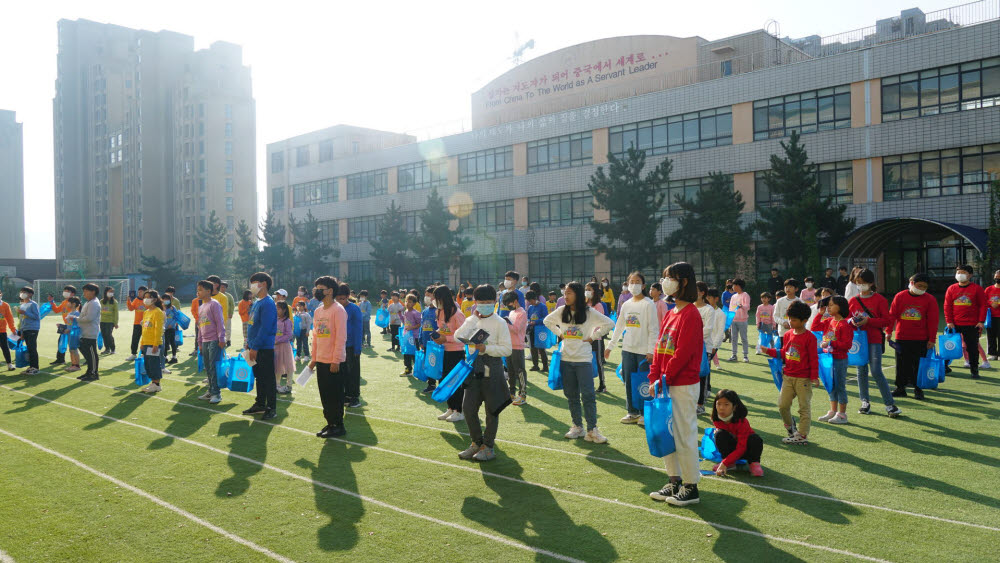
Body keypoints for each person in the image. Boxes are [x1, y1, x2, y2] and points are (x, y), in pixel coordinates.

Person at [647, 262, 704, 506]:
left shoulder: (691, 314)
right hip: (665, 383)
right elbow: (660, 349)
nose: (665, 282)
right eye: (664, 277)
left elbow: (683, 353)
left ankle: (691, 486)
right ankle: (674, 481)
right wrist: (654, 377)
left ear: (684, 282)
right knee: (665, 433)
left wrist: (663, 378)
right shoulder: (671, 312)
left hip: (681, 384)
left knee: (684, 433)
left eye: (670, 277)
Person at [545, 281, 615, 444]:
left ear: (577, 294)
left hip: (583, 359)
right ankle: (577, 426)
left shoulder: (589, 312)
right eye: (565, 293)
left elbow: (609, 323)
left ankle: (592, 430)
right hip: (565, 359)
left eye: (569, 293)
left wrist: (592, 337)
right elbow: (547, 321)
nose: (565, 296)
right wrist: (560, 334)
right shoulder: (562, 310)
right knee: (571, 395)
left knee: (589, 395)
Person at [455, 284, 513, 462]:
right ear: (476, 302)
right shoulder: (472, 319)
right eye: (481, 302)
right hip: (473, 367)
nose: (485, 305)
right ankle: (476, 443)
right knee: (468, 408)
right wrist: (472, 320)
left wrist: (486, 348)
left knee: (492, 409)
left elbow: (507, 350)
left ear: (495, 302)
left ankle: (488, 446)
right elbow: (458, 335)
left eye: (488, 302)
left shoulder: (500, 322)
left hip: (492, 367)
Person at [606, 272, 658, 424]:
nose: (634, 284)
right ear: (628, 285)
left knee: (643, 382)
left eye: (637, 282)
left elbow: (653, 329)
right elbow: (619, 326)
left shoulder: (648, 304)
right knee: (628, 380)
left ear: (643, 286)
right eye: (631, 281)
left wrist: (650, 350)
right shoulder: (626, 304)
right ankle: (632, 412)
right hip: (628, 349)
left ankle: (644, 413)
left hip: (643, 352)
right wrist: (610, 346)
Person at [764, 301, 818, 445]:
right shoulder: (787, 335)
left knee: (804, 408)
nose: (790, 322)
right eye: (789, 318)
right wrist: (769, 351)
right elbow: (784, 352)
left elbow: (813, 358)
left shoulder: (810, 337)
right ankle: (790, 427)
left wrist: (814, 377)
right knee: (782, 405)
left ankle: (802, 435)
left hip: (803, 379)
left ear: (804, 320)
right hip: (788, 376)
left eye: (794, 320)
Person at [849, 270, 901, 418]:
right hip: (859, 341)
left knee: (877, 371)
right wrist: (852, 322)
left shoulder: (880, 300)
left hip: (874, 339)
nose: (860, 286)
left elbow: (887, 320)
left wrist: (869, 321)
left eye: (863, 283)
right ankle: (864, 402)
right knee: (861, 371)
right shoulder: (853, 301)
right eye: (858, 283)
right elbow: (846, 319)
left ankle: (890, 404)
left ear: (871, 283)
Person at [888, 273, 939, 400]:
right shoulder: (900, 296)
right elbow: (892, 315)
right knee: (901, 364)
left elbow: (933, 320)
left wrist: (932, 339)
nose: (921, 288)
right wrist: (889, 331)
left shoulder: (930, 299)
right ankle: (900, 388)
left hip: (921, 338)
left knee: (919, 365)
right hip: (902, 337)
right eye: (919, 285)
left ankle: (918, 389)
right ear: (911, 283)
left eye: (924, 287)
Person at [309, 276, 348, 438]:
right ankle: (330, 422)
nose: (317, 292)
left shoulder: (338, 310)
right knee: (325, 394)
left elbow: (341, 337)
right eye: (316, 288)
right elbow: (316, 336)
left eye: (320, 288)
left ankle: (338, 425)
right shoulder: (318, 311)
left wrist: (336, 359)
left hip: (334, 362)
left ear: (330, 291)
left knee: (335, 395)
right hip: (321, 360)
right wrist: (313, 358)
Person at [811, 296, 853, 424]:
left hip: (839, 359)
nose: (828, 307)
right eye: (828, 305)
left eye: (831, 305)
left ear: (840, 307)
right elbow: (814, 327)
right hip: (828, 359)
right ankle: (833, 411)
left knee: (840, 386)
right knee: (830, 385)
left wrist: (831, 343)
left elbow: (847, 345)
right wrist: (820, 314)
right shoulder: (829, 321)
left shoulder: (845, 324)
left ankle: (842, 414)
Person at [242, 272, 278, 420]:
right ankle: (260, 403)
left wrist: (255, 347)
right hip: (254, 346)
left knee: (268, 378)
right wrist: (248, 344)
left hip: (263, 348)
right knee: (259, 377)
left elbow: (265, 327)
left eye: (254, 282)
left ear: (263, 284)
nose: (251, 286)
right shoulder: (257, 302)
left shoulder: (268, 303)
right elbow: (252, 324)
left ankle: (271, 407)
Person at [944, 264, 988, 379]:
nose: (960, 275)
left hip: (972, 324)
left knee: (972, 348)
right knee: (949, 346)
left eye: (963, 272)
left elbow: (983, 306)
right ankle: (944, 366)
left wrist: (981, 321)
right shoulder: (951, 288)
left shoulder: (977, 289)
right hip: (954, 324)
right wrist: (949, 321)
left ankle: (974, 370)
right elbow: (947, 306)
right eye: (958, 272)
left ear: (970, 275)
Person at [432, 285, 467, 422]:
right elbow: (442, 329)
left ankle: (459, 411)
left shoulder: (458, 314)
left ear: (444, 298)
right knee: (444, 381)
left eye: (437, 298)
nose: (435, 301)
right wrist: (436, 335)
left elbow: (464, 336)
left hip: (456, 352)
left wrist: (446, 338)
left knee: (456, 382)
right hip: (443, 351)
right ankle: (451, 408)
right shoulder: (439, 312)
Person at [710, 389, 764, 477]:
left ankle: (754, 463)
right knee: (719, 434)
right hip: (733, 448)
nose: (721, 408)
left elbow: (741, 448)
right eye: (718, 404)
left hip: (745, 449)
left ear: (734, 407)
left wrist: (724, 463)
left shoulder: (742, 421)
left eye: (726, 404)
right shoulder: (716, 419)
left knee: (755, 439)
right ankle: (731, 464)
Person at [194, 280, 227, 404]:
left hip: (214, 340)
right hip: (205, 341)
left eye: (200, 289)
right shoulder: (201, 306)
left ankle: (216, 394)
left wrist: (221, 338)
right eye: (197, 289)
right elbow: (200, 326)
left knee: (213, 367)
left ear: (209, 291)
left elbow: (220, 322)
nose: (198, 291)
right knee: (207, 367)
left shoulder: (214, 304)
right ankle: (211, 390)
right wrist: (200, 343)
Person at [696, 283, 725, 414]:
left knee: (702, 375)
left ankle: (700, 404)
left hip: (704, 347)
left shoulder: (709, 310)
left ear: (702, 293)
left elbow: (708, 329)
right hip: (689, 347)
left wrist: (715, 346)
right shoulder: (689, 307)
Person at [335, 284, 363, 408]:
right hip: (339, 346)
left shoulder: (354, 309)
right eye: (338, 298)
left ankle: (354, 396)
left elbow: (358, 329)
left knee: (353, 372)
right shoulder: (335, 308)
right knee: (342, 372)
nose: (340, 301)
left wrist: (357, 348)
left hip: (351, 346)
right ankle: (345, 395)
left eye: (342, 298)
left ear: (348, 297)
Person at [502, 290, 528, 405]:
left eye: (509, 303)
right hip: (509, 345)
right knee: (511, 371)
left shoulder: (522, 313)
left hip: (517, 346)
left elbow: (516, 329)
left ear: (515, 301)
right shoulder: (512, 313)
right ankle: (511, 393)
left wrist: (505, 323)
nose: (508, 306)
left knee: (520, 371)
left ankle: (522, 395)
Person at [585, 281, 611, 392]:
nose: (587, 292)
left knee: (598, 361)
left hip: (596, 338)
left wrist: (594, 336)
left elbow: (601, 323)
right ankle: (588, 384)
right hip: (586, 338)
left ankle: (602, 385)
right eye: (586, 289)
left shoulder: (598, 305)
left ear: (595, 291)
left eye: (589, 289)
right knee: (586, 361)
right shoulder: (585, 305)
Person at [138, 290, 165, 393]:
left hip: (154, 343)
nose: (145, 299)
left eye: (148, 297)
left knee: (154, 364)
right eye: (145, 297)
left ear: (154, 299)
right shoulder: (146, 312)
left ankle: (157, 384)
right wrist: (142, 343)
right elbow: (144, 330)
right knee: (148, 365)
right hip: (146, 343)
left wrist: (156, 344)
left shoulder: (158, 312)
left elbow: (158, 330)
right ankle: (153, 383)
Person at [47, 284, 78, 366]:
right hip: (66, 325)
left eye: (68, 291)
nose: (65, 293)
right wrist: (51, 302)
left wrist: (70, 326)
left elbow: (76, 315)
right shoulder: (64, 302)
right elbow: (57, 310)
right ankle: (60, 359)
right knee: (61, 341)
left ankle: (81, 360)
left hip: (73, 327)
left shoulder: (74, 302)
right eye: (65, 291)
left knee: (76, 345)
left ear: (73, 294)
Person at [76, 283, 101, 381]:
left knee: (92, 354)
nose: (84, 293)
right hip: (84, 331)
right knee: (86, 353)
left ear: (93, 292)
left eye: (86, 291)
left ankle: (94, 373)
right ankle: (89, 372)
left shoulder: (94, 303)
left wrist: (76, 319)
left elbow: (89, 318)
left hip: (90, 332)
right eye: (84, 291)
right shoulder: (89, 302)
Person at [419, 286, 439, 393]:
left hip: (436, 344)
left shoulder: (439, 311)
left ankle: (441, 385)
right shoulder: (425, 311)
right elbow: (422, 327)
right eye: (425, 295)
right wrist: (421, 340)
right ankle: (431, 384)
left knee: (438, 364)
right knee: (429, 364)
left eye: (428, 295)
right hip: (426, 343)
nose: (426, 297)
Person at [16, 287, 40, 374]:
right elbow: (22, 320)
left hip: (32, 328)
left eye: (24, 292)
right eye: (21, 292)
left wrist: (25, 312)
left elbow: (37, 317)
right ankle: (31, 366)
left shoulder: (33, 304)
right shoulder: (22, 305)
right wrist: (21, 332)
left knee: (32, 348)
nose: (22, 293)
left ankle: (35, 367)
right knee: (29, 348)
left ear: (30, 294)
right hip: (25, 329)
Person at [274, 301, 295, 394]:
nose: (276, 310)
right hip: (275, 347)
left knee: (288, 366)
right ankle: (277, 385)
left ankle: (289, 385)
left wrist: (278, 340)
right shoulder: (274, 320)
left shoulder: (287, 321)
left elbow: (289, 335)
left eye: (278, 308)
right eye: (276, 308)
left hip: (285, 347)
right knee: (277, 366)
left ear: (284, 310)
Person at [727, 279, 751, 363]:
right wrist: (729, 319)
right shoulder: (733, 296)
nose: (732, 287)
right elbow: (731, 308)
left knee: (743, 338)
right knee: (733, 338)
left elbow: (747, 307)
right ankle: (734, 355)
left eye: (734, 285)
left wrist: (742, 306)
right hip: (733, 320)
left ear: (738, 286)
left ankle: (745, 356)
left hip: (742, 320)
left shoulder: (745, 295)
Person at [525, 291, 549, 373]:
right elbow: (528, 317)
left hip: (540, 330)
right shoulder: (530, 307)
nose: (530, 302)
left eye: (531, 300)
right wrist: (528, 322)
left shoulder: (542, 306)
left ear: (535, 299)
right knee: (533, 349)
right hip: (532, 329)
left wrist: (536, 322)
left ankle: (545, 367)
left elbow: (545, 318)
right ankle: (535, 365)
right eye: (529, 301)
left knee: (541, 349)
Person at [399, 294, 421, 376]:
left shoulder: (416, 313)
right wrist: (400, 315)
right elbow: (404, 322)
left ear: (414, 304)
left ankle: (418, 370)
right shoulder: (406, 312)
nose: (407, 303)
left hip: (414, 337)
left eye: (410, 302)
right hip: (407, 337)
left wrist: (412, 327)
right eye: (406, 301)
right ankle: (408, 369)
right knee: (406, 353)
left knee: (414, 353)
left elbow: (420, 324)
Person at [126, 286, 147, 361]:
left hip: (146, 324)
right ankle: (133, 354)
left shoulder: (147, 300)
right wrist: (128, 301)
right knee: (135, 339)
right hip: (137, 323)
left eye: (141, 291)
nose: (139, 293)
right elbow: (131, 308)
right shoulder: (136, 300)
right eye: (138, 292)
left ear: (145, 292)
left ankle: (144, 354)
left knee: (145, 339)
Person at [64, 297, 82, 373]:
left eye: (69, 302)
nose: (67, 304)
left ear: (74, 304)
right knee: (71, 350)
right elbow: (69, 324)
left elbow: (78, 325)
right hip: (69, 334)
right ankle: (73, 364)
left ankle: (77, 365)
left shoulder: (77, 313)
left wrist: (70, 329)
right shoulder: (69, 313)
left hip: (74, 334)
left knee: (74, 349)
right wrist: (63, 328)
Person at [99, 286, 118, 356]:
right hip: (102, 321)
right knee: (104, 335)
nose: (111, 293)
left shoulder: (114, 302)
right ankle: (107, 349)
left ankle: (113, 349)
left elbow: (116, 313)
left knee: (108, 335)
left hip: (110, 321)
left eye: (112, 292)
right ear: (105, 292)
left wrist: (115, 323)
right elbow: (98, 311)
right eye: (110, 291)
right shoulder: (101, 301)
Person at [0, 288, 16, 370]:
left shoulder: (5, 305)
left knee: (5, 348)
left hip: (2, 331)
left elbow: (10, 318)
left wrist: (13, 329)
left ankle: (9, 364)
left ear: (1, 294)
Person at [162, 294, 180, 365]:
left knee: (173, 342)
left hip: (171, 328)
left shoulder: (173, 307)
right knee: (165, 343)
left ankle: (174, 357)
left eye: (167, 299)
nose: (166, 301)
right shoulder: (161, 308)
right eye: (164, 299)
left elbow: (176, 316)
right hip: (164, 328)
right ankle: (165, 357)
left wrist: (172, 324)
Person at [986, 270, 1000, 361]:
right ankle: (992, 354)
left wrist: (998, 303)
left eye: (999, 277)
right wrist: (992, 303)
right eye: (996, 276)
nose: (997, 278)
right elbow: (983, 300)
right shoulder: (989, 289)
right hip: (990, 317)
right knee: (990, 336)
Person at [220, 282, 236, 348]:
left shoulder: (229, 296)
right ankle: (221, 340)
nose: (222, 288)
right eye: (221, 287)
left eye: (223, 287)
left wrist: (231, 313)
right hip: (219, 315)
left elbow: (232, 305)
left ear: (226, 288)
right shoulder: (217, 295)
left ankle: (228, 340)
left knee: (227, 328)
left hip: (227, 315)